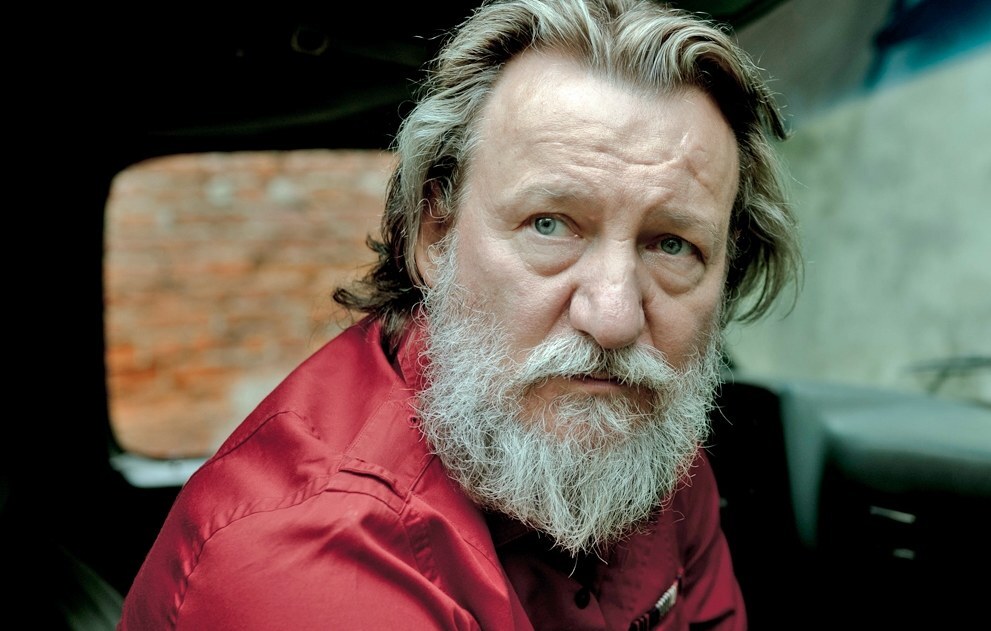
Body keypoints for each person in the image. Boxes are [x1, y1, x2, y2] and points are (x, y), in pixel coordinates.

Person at [118, 0, 800, 628]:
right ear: (433, 236)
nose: (615, 318)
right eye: (550, 225)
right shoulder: (303, 568)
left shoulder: (647, 442)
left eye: (673, 244)